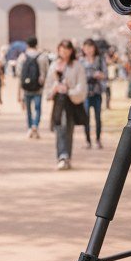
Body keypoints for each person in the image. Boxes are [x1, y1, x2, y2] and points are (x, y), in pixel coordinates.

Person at [45, 40, 86, 170]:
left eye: (67, 50)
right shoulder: (53, 66)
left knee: (68, 129)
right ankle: (62, 156)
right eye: (62, 50)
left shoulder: (77, 66)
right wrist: (55, 89)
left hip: (71, 102)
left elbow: (81, 86)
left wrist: (68, 90)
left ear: (71, 51)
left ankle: (66, 156)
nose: (64, 52)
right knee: (60, 128)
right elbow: (48, 85)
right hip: (58, 102)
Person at [18, 37, 47, 138]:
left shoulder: (22, 56)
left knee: (28, 110)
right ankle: (35, 125)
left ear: (27, 44)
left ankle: (30, 127)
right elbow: (45, 71)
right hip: (38, 87)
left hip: (26, 87)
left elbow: (19, 73)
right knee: (37, 108)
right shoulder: (42, 57)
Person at [81, 38, 106, 149]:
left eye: (91, 47)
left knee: (97, 117)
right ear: (83, 48)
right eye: (86, 47)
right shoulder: (80, 61)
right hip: (85, 93)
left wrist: (100, 75)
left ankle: (98, 140)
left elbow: (105, 74)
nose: (89, 50)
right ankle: (88, 141)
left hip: (97, 92)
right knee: (86, 117)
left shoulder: (99, 60)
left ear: (94, 48)